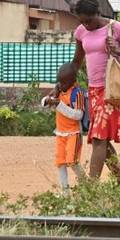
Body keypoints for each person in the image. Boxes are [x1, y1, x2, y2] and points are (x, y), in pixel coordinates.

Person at [67, 0, 120, 181]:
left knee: (99, 138)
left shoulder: (115, 28)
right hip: (93, 91)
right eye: (82, 22)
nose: (86, 25)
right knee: (103, 140)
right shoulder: (80, 32)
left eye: (89, 21)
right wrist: (61, 85)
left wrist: (117, 50)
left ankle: (92, 187)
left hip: (110, 90)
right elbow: (76, 62)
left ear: (98, 13)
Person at [41, 63, 87, 195]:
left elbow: (78, 115)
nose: (60, 84)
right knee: (60, 163)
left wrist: (59, 105)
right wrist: (48, 99)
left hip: (74, 133)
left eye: (64, 82)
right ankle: (64, 192)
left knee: (72, 161)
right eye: (59, 81)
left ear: (73, 82)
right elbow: (43, 102)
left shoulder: (77, 93)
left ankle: (87, 186)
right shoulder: (59, 89)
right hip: (60, 133)